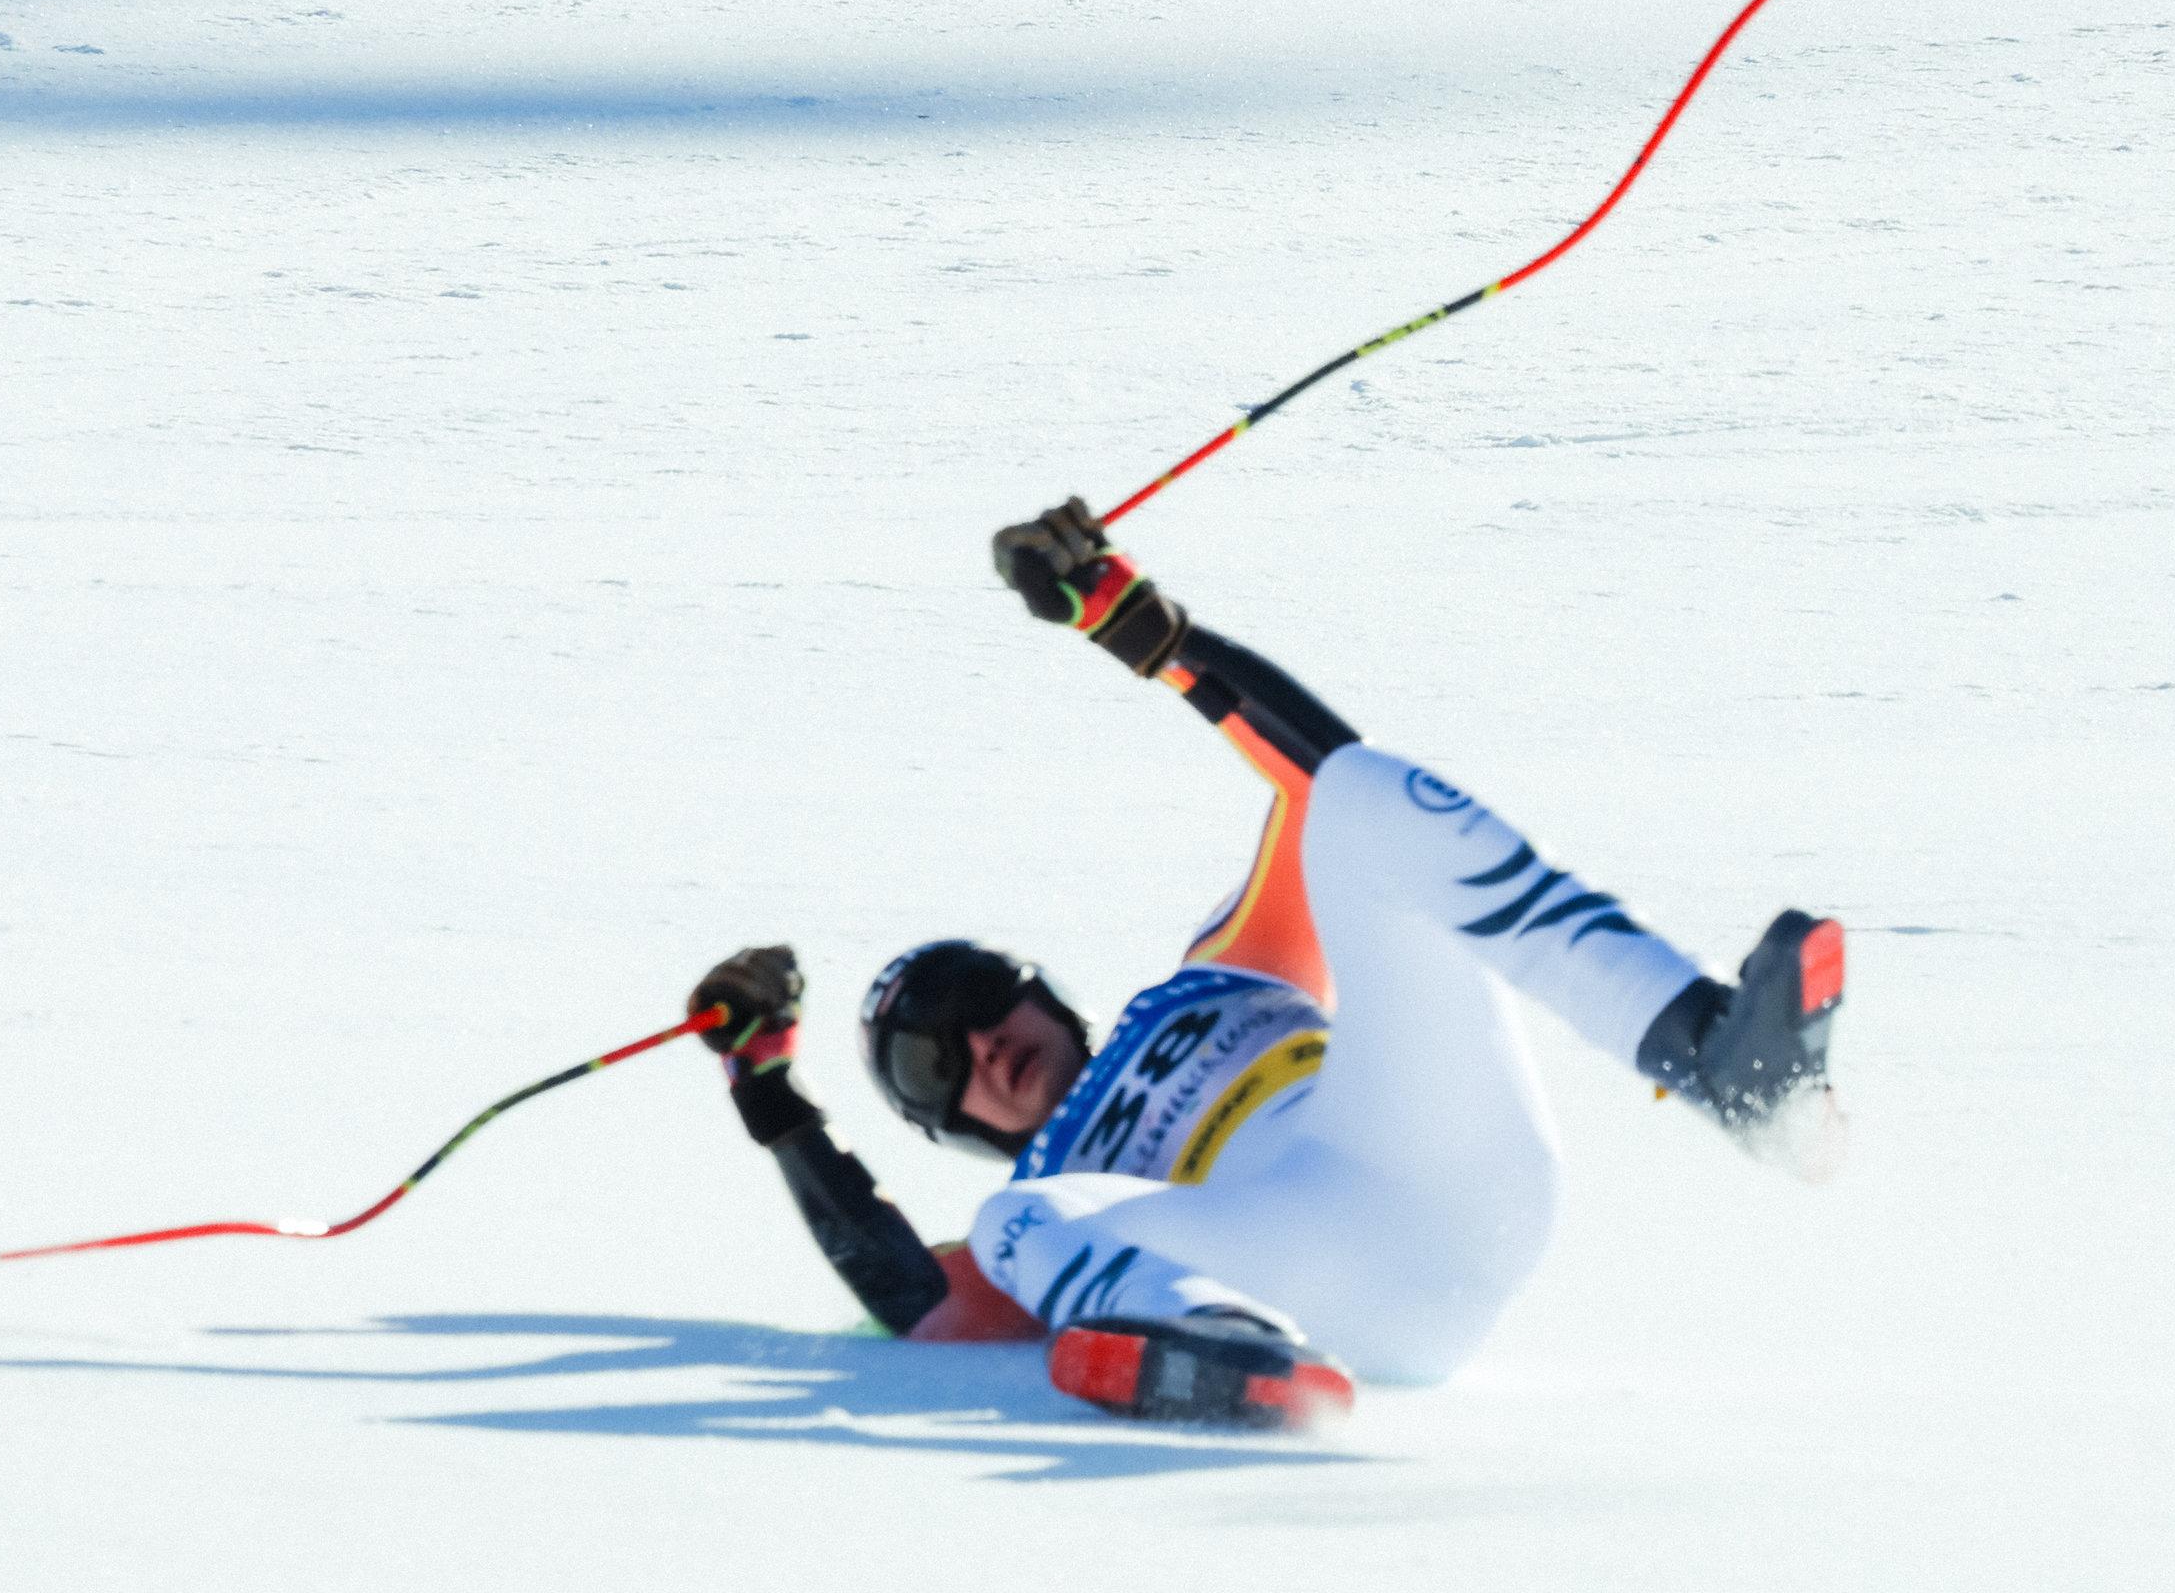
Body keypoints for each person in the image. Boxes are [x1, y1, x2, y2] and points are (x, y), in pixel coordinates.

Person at [690, 500, 1845, 1429]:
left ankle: (1722, 1061)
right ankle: (1213, 1344)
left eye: (982, 1000)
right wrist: (765, 1086)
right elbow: (915, 1300)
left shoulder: (1221, 968)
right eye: (935, 1062)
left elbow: (1314, 781)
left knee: (1365, 792)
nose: (981, 1042)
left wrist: (1138, 625)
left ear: (1039, 988)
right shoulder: (1053, 1193)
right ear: (944, 1118)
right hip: (1296, 1267)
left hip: (1439, 1164)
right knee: (1014, 1218)